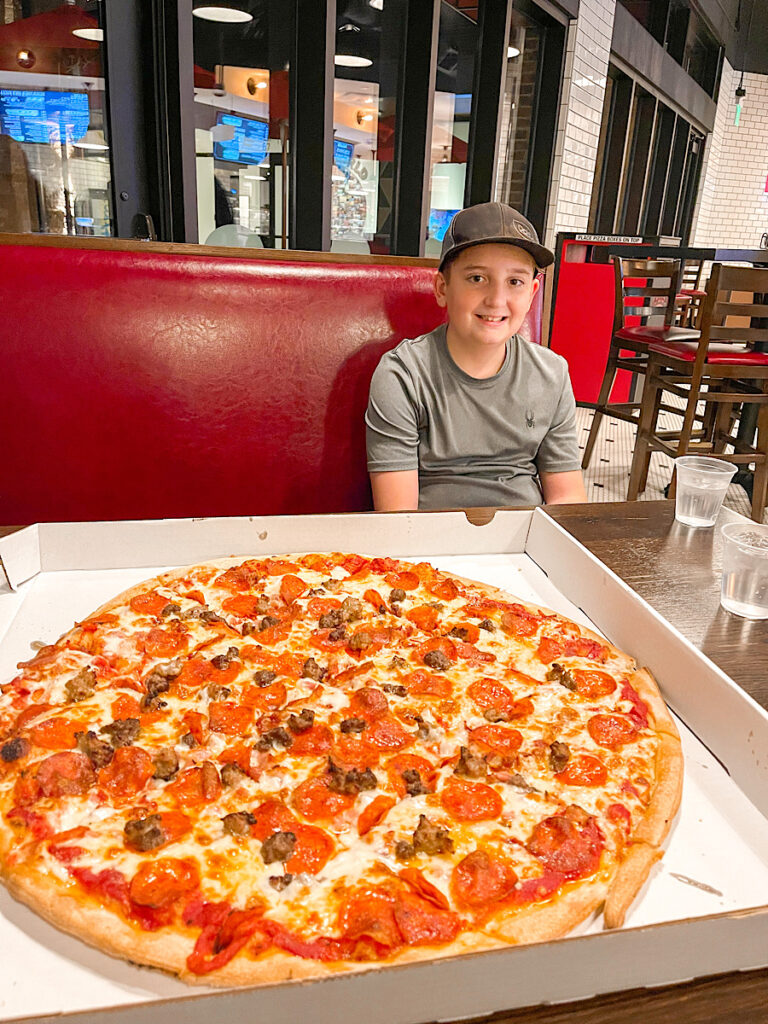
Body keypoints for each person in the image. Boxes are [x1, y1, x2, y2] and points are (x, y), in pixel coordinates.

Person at [365, 202, 587, 511]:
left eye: (515, 282)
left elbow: (567, 498)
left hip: (526, 539)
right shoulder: (402, 375)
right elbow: (399, 515)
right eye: (477, 279)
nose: (497, 300)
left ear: (533, 293)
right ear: (442, 288)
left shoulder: (552, 373)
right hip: (431, 543)